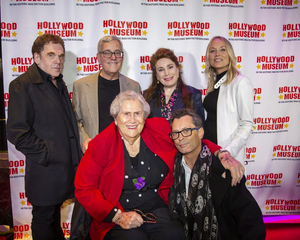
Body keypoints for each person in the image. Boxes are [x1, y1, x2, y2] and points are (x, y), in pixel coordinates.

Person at [74, 91, 228, 240]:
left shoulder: (159, 129)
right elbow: (84, 189)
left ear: (145, 117)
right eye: (126, 114)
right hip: (119, 213)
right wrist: (117, 216)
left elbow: (190, 141)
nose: (132, 120)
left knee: (176, 235)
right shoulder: (101, 144)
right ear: (115, 119)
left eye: (137, 113)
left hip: (158, 208)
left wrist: (221, 154)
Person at [6, 34, 81, 240]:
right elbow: (17, 132)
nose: (58, 60)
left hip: (64, 170)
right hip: (44, 171)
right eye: (51, 55)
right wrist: (48, 154)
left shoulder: (58, 83)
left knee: (54, 219)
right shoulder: (23, 85)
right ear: (36, 57)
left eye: (61, 55)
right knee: (43, 220)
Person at [168, 108, 266, 240]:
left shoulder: (224, 170)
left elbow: (250, 221)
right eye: (176, 133)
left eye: (187, 131)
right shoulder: (174, 168)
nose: (180, 138)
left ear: (200, 132)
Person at [72, 35, 141, 154]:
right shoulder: (81, 86)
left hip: (125, 156)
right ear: (98, 57)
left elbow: (140, 121)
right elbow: (75, 121)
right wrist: (84, 139)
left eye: (117, 52)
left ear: (122, 57)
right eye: (107, 53)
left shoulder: (134, 86)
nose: (113, 57)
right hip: (94, 154)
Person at [203, 36, 254, 166]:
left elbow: (247, 124)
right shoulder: (213, 85)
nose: (217, 54)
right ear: (208, 56)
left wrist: (227, 151)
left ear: (230, 54)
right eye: (212, 50)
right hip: (209, 152)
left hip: (226, 156)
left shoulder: (240, 83)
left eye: (222, 49)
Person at [143, 48, 205, 124]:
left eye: (170, 67)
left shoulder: (194, 94)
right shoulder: (148, 96)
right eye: (161, 70)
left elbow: (200, 129)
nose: (167, 73)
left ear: (178, 69)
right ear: (157, 75)